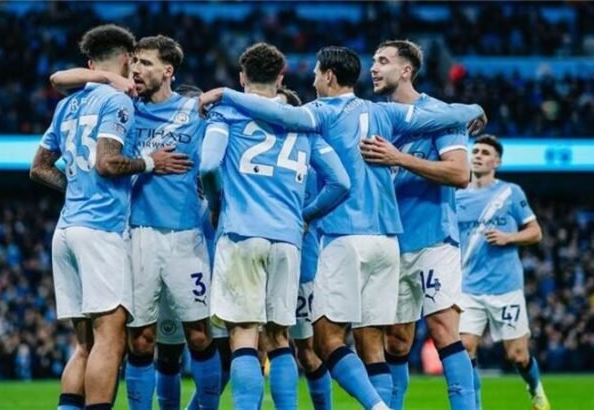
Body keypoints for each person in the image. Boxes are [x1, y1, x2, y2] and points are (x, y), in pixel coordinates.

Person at [199, 45, 486, 410]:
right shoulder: (384, 112)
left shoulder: (319, 112)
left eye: (317, 74)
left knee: (324, 340)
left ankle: (378, 407)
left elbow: (279, 114)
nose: (313, 81)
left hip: (343, 236)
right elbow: (443, 115)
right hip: (388, 241)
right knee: (374, 344)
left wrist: (226, 95)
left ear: (329, 76)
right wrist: (474, 109)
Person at [30, 25, 185, 410]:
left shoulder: (67, 104)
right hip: (100, 230)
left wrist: (76, 187)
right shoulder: (118, 102)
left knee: (83, 345)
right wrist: (150, 162)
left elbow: (39, 167)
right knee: (110, 340)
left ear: (90, 64)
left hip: (66, 230)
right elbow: (107, 162)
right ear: (128, 59)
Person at [199, 42, 350, 410]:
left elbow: (208, 166)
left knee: (244, 336)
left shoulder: (226, 114)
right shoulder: (303, 124)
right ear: (281, 78)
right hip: (287, 240)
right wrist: (305, 215)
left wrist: (217, 206)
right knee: (280, 338)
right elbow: (341, 183)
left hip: (241, 232)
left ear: (241, 77)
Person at [360, 39, 475, 410]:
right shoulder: (374, 117)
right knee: (396, 339)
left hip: (433, 238)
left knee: (443, 329)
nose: (373, 68)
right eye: (373, 61)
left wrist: (399, 158)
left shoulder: (440, 114)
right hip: (389, 241)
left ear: (406, 70)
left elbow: (459, 173)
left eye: (383, 61)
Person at [457, 135, 550, 410]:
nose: (478, 155)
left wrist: (509, 237)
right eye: (475, 151)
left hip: (505, 287)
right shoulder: (456, 195)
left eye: (485, 153)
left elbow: (535, 232)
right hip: (468, 287)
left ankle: (535, 388)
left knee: (518, 355)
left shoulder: (510, 193)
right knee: (464, 348)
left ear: (496, 162)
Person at [277, 86, 332, 410]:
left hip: (303, 267)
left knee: (308, 352)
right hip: (261, 256)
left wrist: (308, 217)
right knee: (249, 346)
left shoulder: (310, 158)